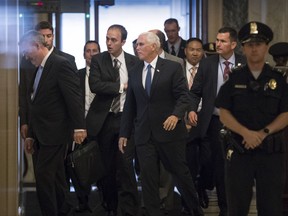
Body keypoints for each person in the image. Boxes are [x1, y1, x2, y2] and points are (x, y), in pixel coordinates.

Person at [119, 31, 203, 216]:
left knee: (181, 175)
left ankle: (195, 210)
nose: (136, 47)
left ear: (154, 47)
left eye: (141, 44)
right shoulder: (134, 71)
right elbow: (130, 106)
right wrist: (124, 134)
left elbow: (183, 96)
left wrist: (176, 115)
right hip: (144, 135)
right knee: (148, 179)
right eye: (137, 44)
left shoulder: (172, 67)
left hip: (170, 133)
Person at [215, 21, 288, 216]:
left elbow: (285, 114)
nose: (254, 49)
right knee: (237, 207)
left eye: (259, 44)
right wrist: (246, 133)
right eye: (250, 45)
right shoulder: (234, 79)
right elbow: (224, 112)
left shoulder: (278, 79)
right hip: (240, 151)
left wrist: (263, 133)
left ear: (266, 47)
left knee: (271, 207)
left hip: (270, 153)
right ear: (244, 48)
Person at [19, 30, 86, 216]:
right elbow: (35, 105)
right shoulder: (37, 68)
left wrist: (79, 127)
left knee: (43, 178)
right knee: (56, 178)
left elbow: (73, 98)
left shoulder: (60, 64)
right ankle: (63, 211)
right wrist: (31, 134)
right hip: (41, 134)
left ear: (37, 46)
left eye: (26, 50)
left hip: (55, 133)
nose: (25, 55)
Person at [188, 26, 246, 216]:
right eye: (217, 40)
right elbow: (195, 91)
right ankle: (224, 208)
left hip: (240, 123)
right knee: (218, 165)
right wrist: (191, 109)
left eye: (223, 41)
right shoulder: (208, 64)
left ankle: (236, 207)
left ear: (234, 44)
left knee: (237, 167)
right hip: (213, 121)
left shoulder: (245, 63)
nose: (218, 44)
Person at [88, 24, 139, 216]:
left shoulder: (134, 62)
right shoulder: (99, 60)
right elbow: (95, 85)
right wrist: (120, 87)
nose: (109, 43)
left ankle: (130, 209)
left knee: (126, 166)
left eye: (114, 40)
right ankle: (110, 206)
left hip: (127, 120)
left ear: (123, 42)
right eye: (107, 39)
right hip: (105, 119)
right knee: (107, 167)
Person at [19, 20, 77, 141]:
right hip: (35, 125)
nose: (45, 40)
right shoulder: (29, 60)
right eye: (42, 36)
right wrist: (25, 122)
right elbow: (24, 93)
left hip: (56, 127)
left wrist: (78, 127)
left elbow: (73, 96)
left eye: (48, 36)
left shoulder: (65, 61)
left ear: (53, 37)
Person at [149, 29, 184, 213]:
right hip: (146, 128)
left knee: (167, 172)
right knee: (148, 171)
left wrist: (178, 117)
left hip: (168, 126)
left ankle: (167, 208)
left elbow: (182, 95)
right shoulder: (141, 62)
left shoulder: (176, 62)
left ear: (157, 44)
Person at [70, 40, 100, 213]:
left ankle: (105, 201)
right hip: (80, 127)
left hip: (101, 126)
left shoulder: (107, 75)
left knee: (101, 166)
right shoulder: (76, 75)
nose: (91, 54)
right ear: (84, 54)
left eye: (95, 51)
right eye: (88, 51)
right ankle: (83, 201)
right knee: (79, 165)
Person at [183, 37, 207, 212]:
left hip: (204, 119)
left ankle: (202, 188)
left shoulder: (207, 69)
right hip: (183, 120)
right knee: (188, 162)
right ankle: (189, 198)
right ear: (185, 50)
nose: (195, 53)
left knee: (207, 159)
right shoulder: (176, 68)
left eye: (198, 49)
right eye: (192, 49)